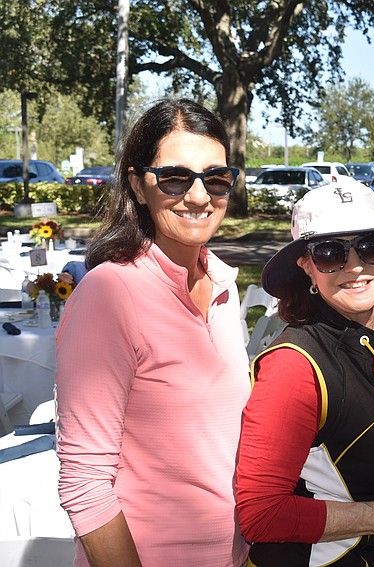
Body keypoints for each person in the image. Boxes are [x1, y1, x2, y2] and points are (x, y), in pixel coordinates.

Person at [55, 98, 250, 567]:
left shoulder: (223, 285)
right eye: (175, 177)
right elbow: (84, 482)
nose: (200, 196)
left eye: (216, 177)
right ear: (139, 186)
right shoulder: (110, 293)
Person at [235, 183, 374, 566]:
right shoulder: (293, 366)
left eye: (370, 246)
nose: (356, 266)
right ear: (307, 266)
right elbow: (262, 515)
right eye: (331, 254)